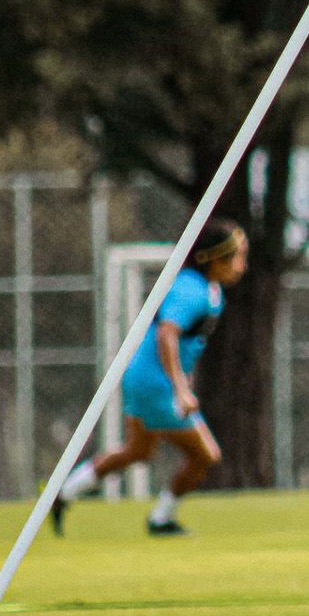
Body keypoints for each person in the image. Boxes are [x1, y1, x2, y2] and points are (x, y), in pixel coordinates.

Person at [50, 220, 249, 536]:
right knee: (205, 455)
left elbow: (186, 345)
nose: (243, 265)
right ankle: (161, 519)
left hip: (142, 378)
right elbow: (166, 335)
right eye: (238, 256)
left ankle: (63, 493)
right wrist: (180, 389)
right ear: (216, 257)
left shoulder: (209, 292)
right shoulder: (191, 289)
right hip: (156, 384)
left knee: (137, 451)